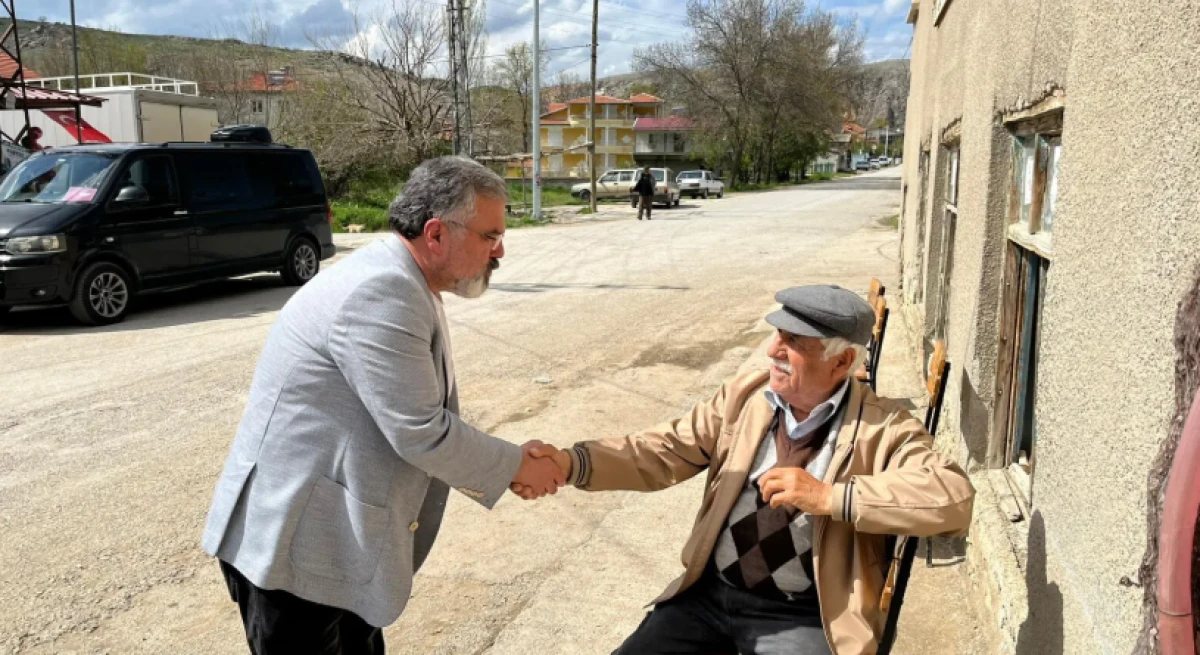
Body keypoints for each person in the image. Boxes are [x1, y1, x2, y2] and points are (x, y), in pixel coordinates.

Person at [201, 156, 566, 654]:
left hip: (337, 546)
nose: (500, 250)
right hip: (298, 550)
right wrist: (518, 466)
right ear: (436, 233)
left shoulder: (403, 278)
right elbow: (420, 430)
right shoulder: (383, 290)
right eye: (491, 236)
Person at [516, 285, 975, 654]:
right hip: (709, 596)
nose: (773, 350)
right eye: (777, 335)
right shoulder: (747, 396)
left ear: (842, 361)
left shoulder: (884, 426)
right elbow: (663, 449)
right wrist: (572, 463)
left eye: (794, 342)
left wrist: (830, 497)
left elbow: (953, 497)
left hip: (804, 615)